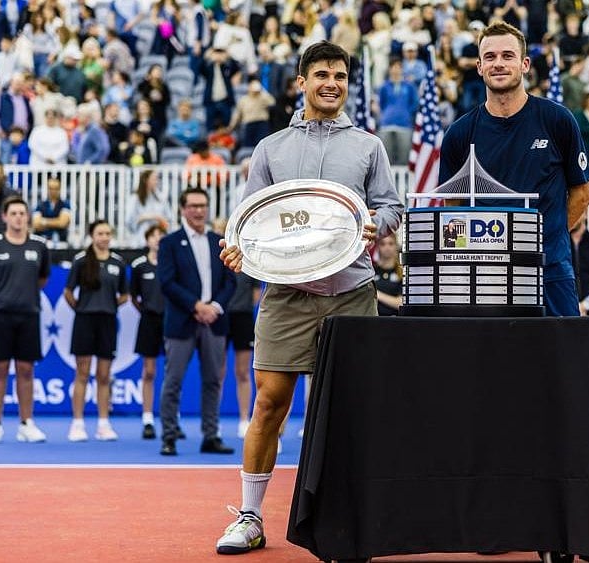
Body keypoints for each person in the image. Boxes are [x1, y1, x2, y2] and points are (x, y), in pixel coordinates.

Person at [215, 41, 404, 554]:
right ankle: (250, 517)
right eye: (321, 74)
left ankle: (349, 519)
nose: (331, 84)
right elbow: (249, 222)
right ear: (301, 82)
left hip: (351, 293)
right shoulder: (270, 148)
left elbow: (391, 206)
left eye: (340, 76)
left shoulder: (368, 146)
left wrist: (377, 224)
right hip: (286, 295)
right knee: (270, 404)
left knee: (350, 412)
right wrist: (237, 249)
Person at [438, 21, 589, 317]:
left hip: (550, 272)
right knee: (491, 350)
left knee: (563, 349)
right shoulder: (459, 133)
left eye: (507, 56)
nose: (498, 63)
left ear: (525, 64)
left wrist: (547, 238)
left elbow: (582, 194)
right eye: (490, 57)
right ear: (479, 67)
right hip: (485, 276)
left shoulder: (558, 120)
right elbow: (453, 208)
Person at [157, 187, 236, 457]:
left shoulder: (219, 241)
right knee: (173, 381)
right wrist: (196, 306)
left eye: (203, 205)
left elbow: (230, 281)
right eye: (193, 206)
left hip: (214, 321)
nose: (199, 210)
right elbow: (167, 282)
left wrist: (214, 307)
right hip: (182, 321)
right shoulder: (170, 243)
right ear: (183, 209)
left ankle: (211, 435)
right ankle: (169, 436)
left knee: (213, 380)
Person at [0, 196, 50, 444]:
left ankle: (26, 423)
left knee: (26, 369)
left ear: (28, 217)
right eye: (14, 213)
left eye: (22, 213)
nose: (18, 217)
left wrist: (23, 297)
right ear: (4, 217)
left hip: (28, 314)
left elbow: (42, 279)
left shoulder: (39, 246)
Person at [63, 219, 129, 442]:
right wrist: (82, 308)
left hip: (107, 322)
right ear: (92, 236)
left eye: (108, 233)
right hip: (84, 321)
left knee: (103, 375)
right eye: (100, 233)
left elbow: (125, 295)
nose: (104, 237)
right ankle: (77, 423)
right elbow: (68, 292)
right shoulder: (81, 261)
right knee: (82, 373)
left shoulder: (118, 263)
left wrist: (108, 306)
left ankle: (103, 423)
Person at [214, 215, 260, 439]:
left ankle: (244, 420)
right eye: (217, 230)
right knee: (218, 372)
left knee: (243, 372)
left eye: (224, 229)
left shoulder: (247, 258)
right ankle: (214, 422)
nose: (220, 233)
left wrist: (243, 307)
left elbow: (256, 293)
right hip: (220, 316)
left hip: (242, 316)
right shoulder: (213, 260)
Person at [130, 224, 167, 440]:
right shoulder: (139, 266)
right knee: (149, 371)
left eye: (161, 235)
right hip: (149, 321)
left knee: (172, 372)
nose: (157, 239)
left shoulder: (172, 264)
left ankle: (172, 417)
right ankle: (147, 418)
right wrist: (146, 310)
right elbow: (133, 296)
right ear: (147, 240)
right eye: (153, 236)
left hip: (171, 321)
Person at [125, 170, 172, 247]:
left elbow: (168, 217)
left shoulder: (160, 197)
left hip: (159, 239)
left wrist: (162, 221)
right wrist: (152, 217)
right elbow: (129, 221)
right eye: (154, 179)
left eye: (157, 179)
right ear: (146, 180)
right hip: (141, 240)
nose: (157, 182)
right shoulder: (134, 198)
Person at [31, 174, 71, 246]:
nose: (53, 191)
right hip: (42, 243)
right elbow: (36, 224)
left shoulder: (65, 204)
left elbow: (62, 223)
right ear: (47, 188)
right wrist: (56, 221)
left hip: (61, 243)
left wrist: (43, 221)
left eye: (56, 188)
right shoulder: (40, 205)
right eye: (51, 188)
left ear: (59, 189)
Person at [373, 233, 403, 316]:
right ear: (378, 247)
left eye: (391, 243)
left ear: (396, 246)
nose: (387, 247)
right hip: (374, 318)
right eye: (383, 244)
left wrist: (376, 294)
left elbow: (401, 303)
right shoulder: (372, 271)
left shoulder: (401, 272)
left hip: (394, 319)